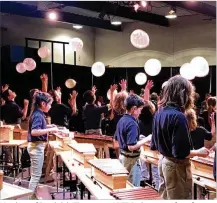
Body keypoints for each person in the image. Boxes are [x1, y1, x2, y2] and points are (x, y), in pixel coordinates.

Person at [151, 75, 210, 200]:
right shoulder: (178, 116)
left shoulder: (159, 112)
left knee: (165, 198)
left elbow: (154, 145)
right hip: (176, 167)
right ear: (183, 93)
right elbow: (180, 153)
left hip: (163, 162)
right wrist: (199, 152)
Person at [115, 94, 151, 186]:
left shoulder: (122, 120)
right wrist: (147, 139)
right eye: (140, 110)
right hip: (131, 161)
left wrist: (138, 138)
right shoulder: (132, 124)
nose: (140, 112)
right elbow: (131, 146)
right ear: (134, 108)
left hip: (122, 157)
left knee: (124, 186)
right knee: (132, 188)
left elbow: (121, 138)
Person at [27, 92, 59, 199]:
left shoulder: (38, 113)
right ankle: (29, 199)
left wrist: (50, 126)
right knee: (36, 176)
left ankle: (33, 197)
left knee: (35, 175)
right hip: (36, 147)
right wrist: (50, 129)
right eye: (49, 104)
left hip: (35, 147)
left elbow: (40, 127)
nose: (50, 106)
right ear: (43, 104)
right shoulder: (38, 115)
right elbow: (34, 131)